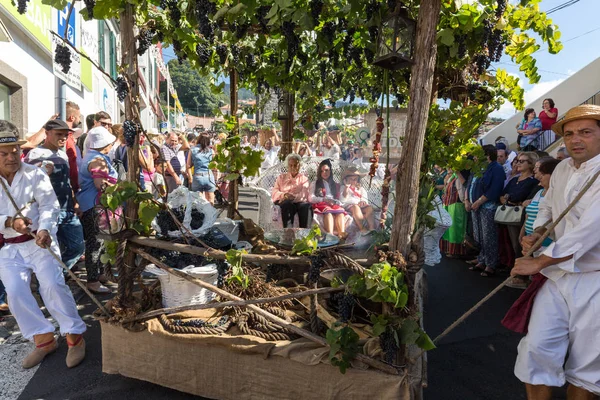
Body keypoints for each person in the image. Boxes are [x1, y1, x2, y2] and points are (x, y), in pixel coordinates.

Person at [512, 104, 600, 399]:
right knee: (536, 349)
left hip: (595, 279)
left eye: (586, 132)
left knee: (588, 367)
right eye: (570, 133)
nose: (576, 139)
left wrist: (540, 260)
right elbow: (549, 206)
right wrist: (537, 233)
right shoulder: (561, 168)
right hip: (559, 275)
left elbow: (591, 229)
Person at [0, 120, 86, 369]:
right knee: (15, 292)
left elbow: (49, 205)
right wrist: (8, 222)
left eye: (15, 151)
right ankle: (43, 339)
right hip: (10, 247)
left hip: (39, 242)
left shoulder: (34, 173)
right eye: (4, 153)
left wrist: (46, 229)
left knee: (52, 286)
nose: (11, 157)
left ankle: (74, 337)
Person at [23, 119, 85, 273]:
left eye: (65, 135)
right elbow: (28, 182)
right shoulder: (36, 153)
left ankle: (57, 277)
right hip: (46, 211)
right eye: (59, 134)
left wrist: (75, 202)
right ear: (47, 133)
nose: (63, 138)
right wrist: (42, 172)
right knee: (46, 252)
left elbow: (67, 182)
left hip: (66, 209)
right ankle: (49, 281)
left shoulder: (63, 155)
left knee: (77, 247)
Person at [77, 127, 118, 294]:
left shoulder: (92, 157)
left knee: (100, 242)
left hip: (92, 205)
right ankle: (92, 280)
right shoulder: (97, 160)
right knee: (95, 243)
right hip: (96, 205)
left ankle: (100, 274)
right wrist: (119, 187)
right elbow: (100, 184)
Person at [500, 152, 540, 287]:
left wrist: (510, 198)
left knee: (521, 244)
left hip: (522, 216)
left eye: (522, 161)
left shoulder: (533, 182)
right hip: (510, 214)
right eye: (517, 160)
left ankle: (522, 276)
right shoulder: (513, 179)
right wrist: (508, 198)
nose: (517, 163)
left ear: (530, 164)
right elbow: (503, 195)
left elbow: (520, 197)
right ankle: (518, 272)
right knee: (513, 244)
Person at [465, 144, 505, 277]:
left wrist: (479, 201)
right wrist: (467, 200)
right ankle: (482, 259)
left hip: (487, 207)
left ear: (487, 155)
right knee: (479, 236)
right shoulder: (477, 168)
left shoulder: (496, 168)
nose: (474, 157)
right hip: (475, 207)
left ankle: (491, 263)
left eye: (478, 154)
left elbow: (495, 188)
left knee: (489, 236)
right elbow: (469, 184)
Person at [309, 159, 348, 239]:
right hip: (322, 204)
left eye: (326, 170)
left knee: (340, 213)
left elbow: (341, 200)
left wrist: (334, 202)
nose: (324, 173)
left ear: (330, 171)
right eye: (322, 171)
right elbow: (311, 198)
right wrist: (324, 200)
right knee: (328, 212)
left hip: (334, 205)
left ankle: (342, 236)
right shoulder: (315, 183)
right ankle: (330, 236)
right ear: (319, 172)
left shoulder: (336, 185)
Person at [272, 154, 312, 228]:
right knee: (287, 204)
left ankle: (305, 234)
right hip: (284, 201)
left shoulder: (304, 179)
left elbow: (304, 194)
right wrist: (284, 195)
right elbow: (275, 192)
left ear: (299, 166)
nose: (293, 167)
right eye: (290, 165)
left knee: (306, 206)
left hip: (298, 201)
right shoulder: (281, 177)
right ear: (287, 166)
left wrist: (292, 197)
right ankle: (288, 233)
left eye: (295, 165)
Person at [439, 169, 468, 258]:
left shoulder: (458, 177)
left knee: (455, 229)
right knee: (448, 229)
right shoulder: (451, 177)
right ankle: (448, 249)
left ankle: (456, 251)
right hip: (449, 204)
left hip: (456, 205)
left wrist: (464, 201)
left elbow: (461, 191)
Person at [340, 166, 376, 234]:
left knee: (369, 208)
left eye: (355, 179)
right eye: (351, 179)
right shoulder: (343, 188)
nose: (353, 181)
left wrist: (362, 202)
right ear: (346, 179)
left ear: (358, 180)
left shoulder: (360, 189)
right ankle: (362, 228)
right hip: (350, 206)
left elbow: (364, 198)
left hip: (361, 206)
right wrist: (346, 188)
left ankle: (372, 228)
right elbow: (342, 200)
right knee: (355, 207)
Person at [187, 133, 216, 204]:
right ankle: (210, 214)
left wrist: (190, 178)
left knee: (198, 201)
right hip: (209, 176)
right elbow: (215, 166)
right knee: (210, 200)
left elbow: (188, 165)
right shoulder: (211, 151)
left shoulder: (192, 150)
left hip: (197, 176)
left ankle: (201, 214)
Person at [64, 101, 82, 192]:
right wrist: (75, 187)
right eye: (79, 117)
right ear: (72, 118)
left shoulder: (65, 137)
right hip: (67, 187)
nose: (79, 120)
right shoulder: (67, 138)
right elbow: (72, 164)